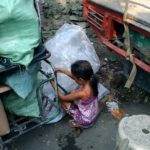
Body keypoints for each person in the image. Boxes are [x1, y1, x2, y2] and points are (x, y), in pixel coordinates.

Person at [51, 60, 99, 128]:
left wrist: (52, 83)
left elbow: (62, 97)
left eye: (75, 78)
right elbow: (75, 77)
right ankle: (79, 111)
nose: (74, 78)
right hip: (92, 113)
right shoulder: (91, 79)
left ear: (81, 79)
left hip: (86, 119)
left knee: (62, 101)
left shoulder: (82, 93)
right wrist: (64, 71)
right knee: (73, 92)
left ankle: (80, 123)